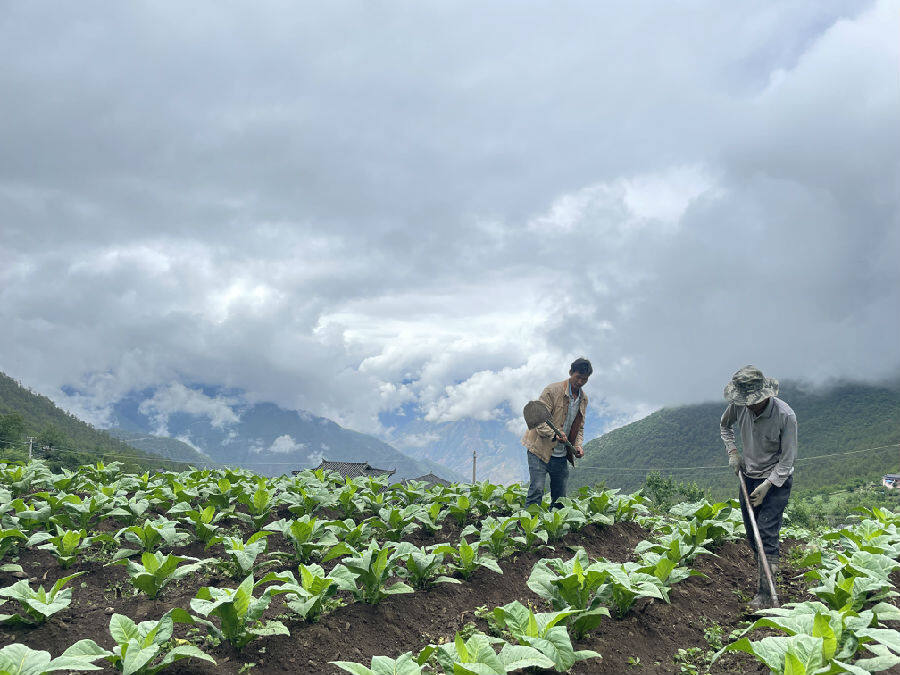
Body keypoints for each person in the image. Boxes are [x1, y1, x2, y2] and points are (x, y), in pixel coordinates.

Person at [720, 365, 797, 609]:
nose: (749, 405)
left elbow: (787, 459)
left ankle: (766, 596)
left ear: (765, 394)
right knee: (753, 536)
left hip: (777, 480)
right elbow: (725, 426)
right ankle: (766, 578)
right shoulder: (738, 407)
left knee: (766, 533)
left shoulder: (785, 415)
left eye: (753, 400)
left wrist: (768, 485)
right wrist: (733, 453)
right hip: (749, 476)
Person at [522, 358, 591, 508]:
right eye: (578, 377)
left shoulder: (583, 399)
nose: (580, 382)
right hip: (539, 450)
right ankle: (528, 528)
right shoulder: (552, 391)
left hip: (561, 454)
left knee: (560, 497)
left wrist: (578, 446)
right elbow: (538, 421)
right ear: (570, 372)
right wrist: (554, 435)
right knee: (537, 489)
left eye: (584, 379)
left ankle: (556, 530)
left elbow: (579, 427)